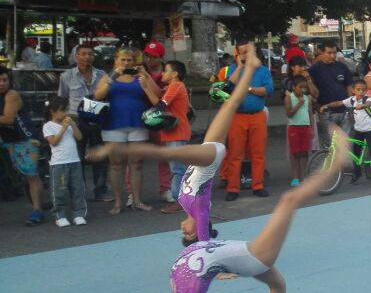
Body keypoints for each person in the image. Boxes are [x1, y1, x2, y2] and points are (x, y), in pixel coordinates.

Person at [162, 124, 351, 293]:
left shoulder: (181, 292)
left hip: (246, 256)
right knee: (287, 206)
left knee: (287, 211)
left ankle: (336, 164)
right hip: (247, 257)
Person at [89, 45, 264, 245]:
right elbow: (205, 239)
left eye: (184, 235)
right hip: (206, 161)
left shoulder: (185, 205)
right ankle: (115, 149)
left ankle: (249, 66)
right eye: (188, 234)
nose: (182, 229)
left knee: (229, 103)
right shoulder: (199, 212)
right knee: (165, 154)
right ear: (199, 230)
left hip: (204, 157)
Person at [94, 49, 160, 213]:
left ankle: (137, 200)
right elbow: (98, 96)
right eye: (122, 60)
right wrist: (113, 77)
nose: (126, 63)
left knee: (136, 164)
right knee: (116, 165)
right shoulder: (108, 77)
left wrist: (146, 76)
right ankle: (118, 202)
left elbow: (157, 94)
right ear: (116, 60)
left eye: (129, 60)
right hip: (113, 124)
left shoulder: (139, 76)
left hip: (137, 123)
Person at [58, 44, 110, 200]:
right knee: (77, 156)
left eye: (90, 54)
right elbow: (62, 99)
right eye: (83, 54)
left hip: (97, 119)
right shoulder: (66, 76)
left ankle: (100, 190)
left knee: (100, 155)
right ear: (76, 57)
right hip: (76, 120)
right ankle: (78, 192)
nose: (87, 57)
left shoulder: (102, 75)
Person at [224, 41, 274, 201]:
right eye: (242, 52)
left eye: (248, 52)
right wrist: (239, 68)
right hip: (237, 116)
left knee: (257, 154)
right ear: (236, 54)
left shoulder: (263, 71)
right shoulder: (232, 70)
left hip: (257, 115)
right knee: (234, 154)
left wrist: (247, 88)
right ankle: (233, 188)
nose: (245, 55)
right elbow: (227, 88)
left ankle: (258, 185)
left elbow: (268, 90)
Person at [142, 60, 192, 214]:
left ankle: (180, 201)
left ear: (174, 74)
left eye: (166, 70)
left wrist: (145, 86)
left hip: (177, 133)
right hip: (174, 133)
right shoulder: (173, 86)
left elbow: (159, 105)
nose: (163, 73)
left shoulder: (176, 86)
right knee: (177, 168)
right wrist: (146, 77)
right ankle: (182, 199)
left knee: (178, 169)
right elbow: (159, 94)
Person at [0, 67, 45, 224]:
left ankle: (37, 210)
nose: (2, 83)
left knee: (31, 176)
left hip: (24, 139)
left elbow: (8, 119)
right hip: (7, 139)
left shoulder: (11, 95)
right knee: (25, 177)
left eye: (5, 79)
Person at [319, 80, 371, 184]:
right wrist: (327, 105)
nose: (360, 92)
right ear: (353, 90)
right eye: (358, 90)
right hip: (358, 129)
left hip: (370, 129)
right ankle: (357, 172)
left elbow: (369, 104)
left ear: (366, 91)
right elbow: (339, 103)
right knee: (356, 152)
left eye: (363, 90)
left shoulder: (368, 99)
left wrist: (362, 106)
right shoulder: (352, 100)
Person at [43, 96, 87, 226]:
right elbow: (54, 142)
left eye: (66, 110)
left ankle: (79, 214)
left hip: (74, 161)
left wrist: (72, 125)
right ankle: (60, 215)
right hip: (58, 164)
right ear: (52, 111)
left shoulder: (69, 124)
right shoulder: (48, 126)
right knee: (59, 190)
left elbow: (79, 137)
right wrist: (63, 128)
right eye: (62, 110)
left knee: (78, 189)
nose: (65, 113)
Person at [308, 40, 353, 150]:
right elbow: (310, 89)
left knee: (345, 143)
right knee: (331, 143)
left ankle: (343, 166)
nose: (332, 55)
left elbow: (349, 87)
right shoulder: (314, 69)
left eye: (334, 52)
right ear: (322, 52)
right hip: (326, 111)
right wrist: (316, 105)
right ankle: (332, 166)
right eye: (329, 53)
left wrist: (351, 106)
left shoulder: (342, 67)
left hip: (344, 111)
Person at [285, 76, 313, 188]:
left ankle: (303, 176)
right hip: (294, 127)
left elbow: (310, 113)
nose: (303, 90)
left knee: (304, 152)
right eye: (300, 87)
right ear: (293, 87)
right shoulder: (289, 98)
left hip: (305, 127)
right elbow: (289, 113)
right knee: (295, 153)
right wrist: (299, 104)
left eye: (305, 88)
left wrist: (311, 128)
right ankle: (295, 177)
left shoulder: (307, 98)